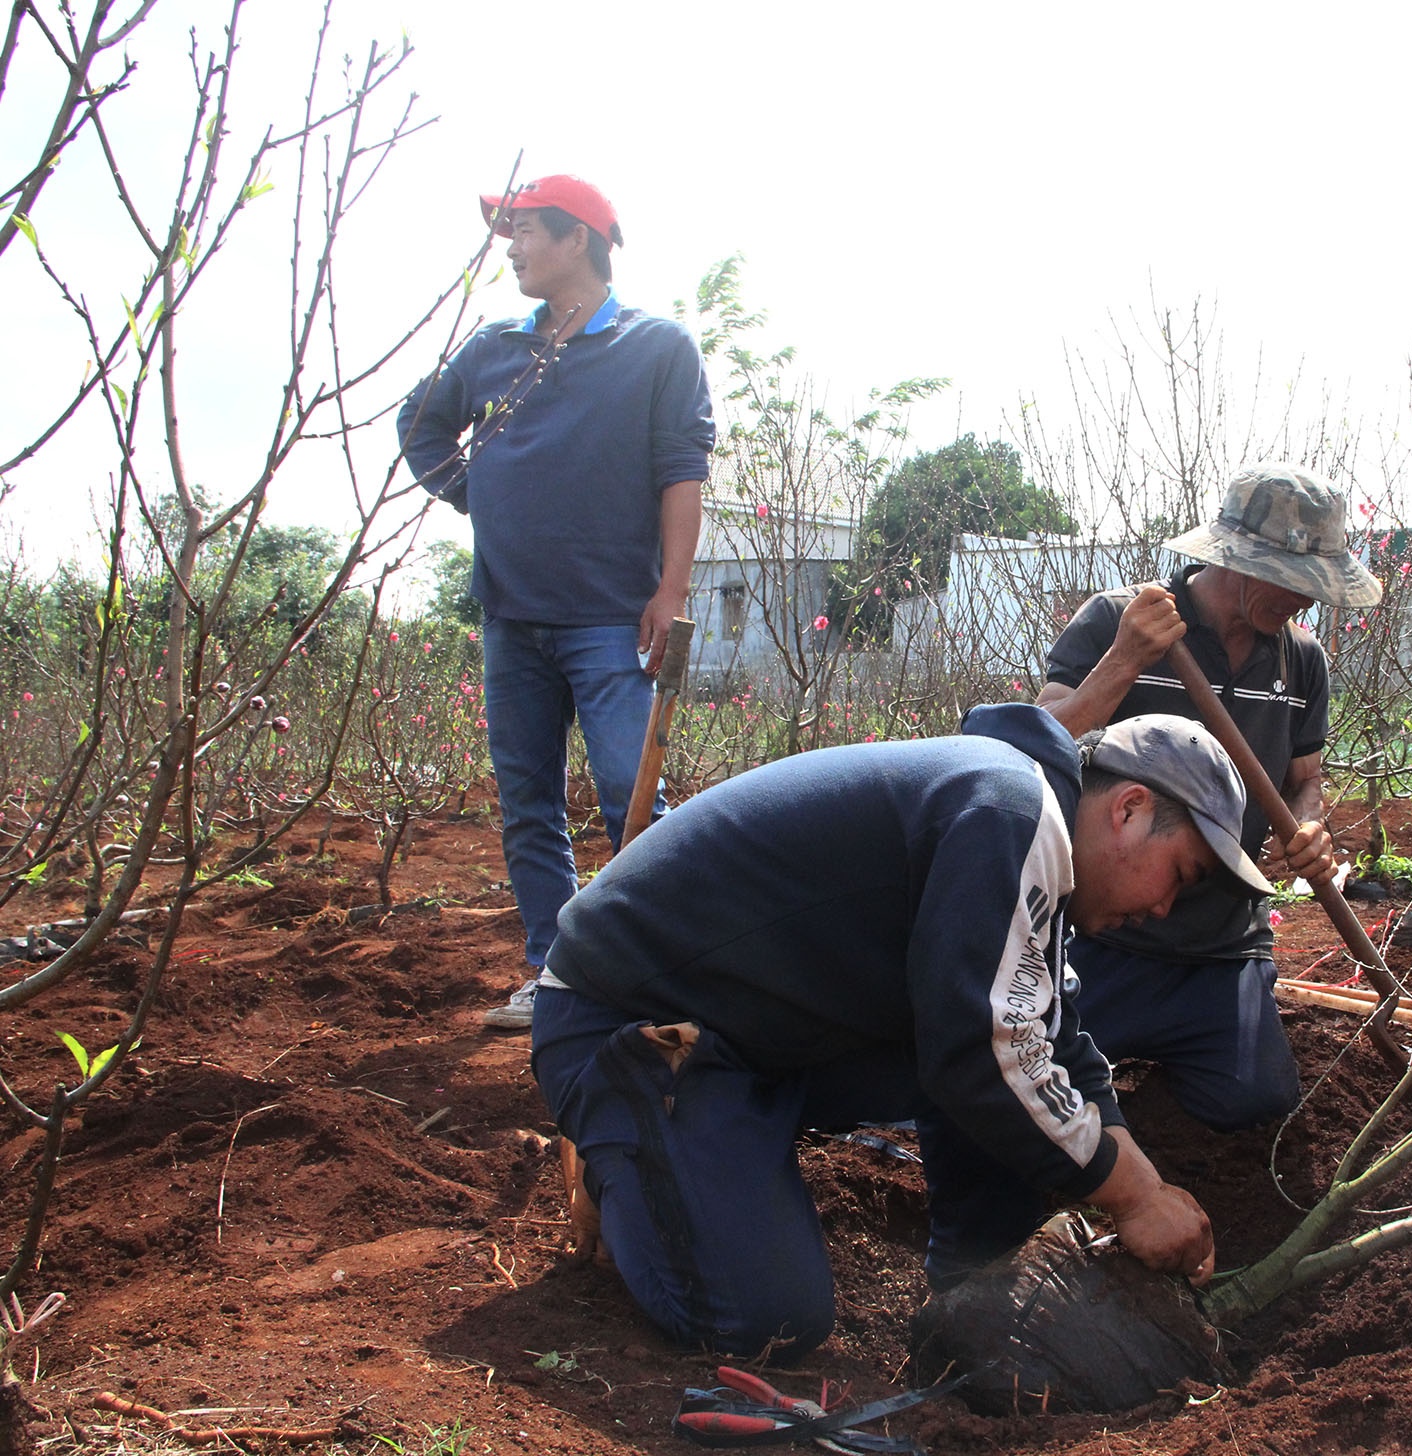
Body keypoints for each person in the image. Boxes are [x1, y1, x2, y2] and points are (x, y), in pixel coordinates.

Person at [529, 703, 1269, 1357]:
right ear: (1130, 809)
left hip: (746, 1025)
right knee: (763, 1319)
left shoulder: (1027, 825)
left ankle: (971, 1282)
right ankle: (627, 1159)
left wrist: (1136, 1167)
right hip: (630, 1025)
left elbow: (1048, 1030)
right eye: (1183, 874)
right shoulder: (1013, 813)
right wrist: (1134, 1196)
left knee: (998, 1052)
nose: (1168, 911)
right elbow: (987, 1052)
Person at [397, 174, 715, 1030]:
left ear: (578, 238)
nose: (511, 248)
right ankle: (555, 967)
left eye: (525, 230)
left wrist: (670, 590)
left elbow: (682, 471)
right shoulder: (496, 347)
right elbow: (420, 426)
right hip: (511, 617)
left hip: (614, 615)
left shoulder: (657, 348)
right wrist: (479, 495)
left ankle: (672, 958)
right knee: (528, 801)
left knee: (629, 791)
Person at [1037, 462, 1383, 1131]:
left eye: (1315, 588)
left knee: (1256, 1105)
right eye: (1292, 581)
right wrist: (1125, 660)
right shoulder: (1119, 620)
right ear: (1236, 560)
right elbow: (1038, 740)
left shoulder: (1300, 660)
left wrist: (1308, 828)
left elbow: (1302, 779)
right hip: (1106, 934)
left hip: (1223, 946)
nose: (1303, 602)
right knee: (1031, 1087)